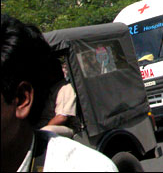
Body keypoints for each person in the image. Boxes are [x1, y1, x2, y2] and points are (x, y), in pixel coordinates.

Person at [1, 14, 118, 172]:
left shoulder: (87, 168)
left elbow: (62, 117)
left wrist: (46, 127)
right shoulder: (52, 92)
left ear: (22, 99)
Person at [37, 58, 79, 138]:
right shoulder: (48, 89)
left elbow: (61, 118)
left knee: (48, 130)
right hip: (44, 125)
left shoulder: (65, 87)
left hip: (67, 127)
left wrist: (41, 132)